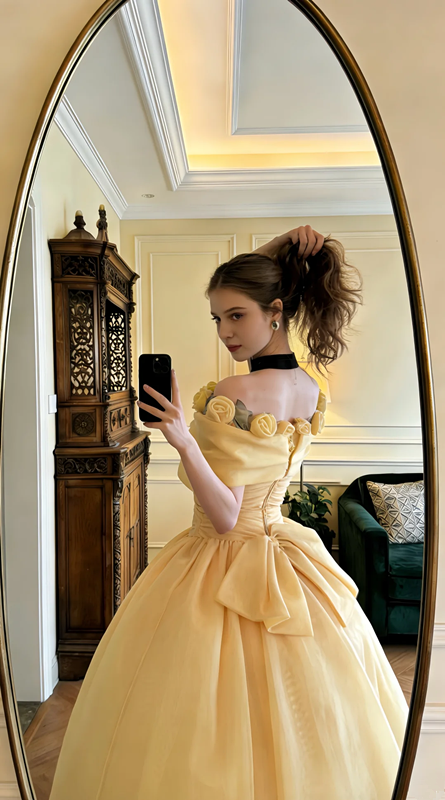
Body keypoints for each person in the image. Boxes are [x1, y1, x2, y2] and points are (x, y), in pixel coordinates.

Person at [49, 225, 408, 800]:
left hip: (218, 559)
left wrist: (181, 438)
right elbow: (255, 286)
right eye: (217, 318)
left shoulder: (237, 392)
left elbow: (222, 517)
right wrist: (282, 248)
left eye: (236, 316)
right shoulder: (308, 387)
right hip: (284, 553)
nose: (225, 331)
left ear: (276, 310)